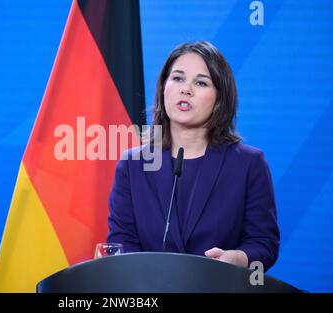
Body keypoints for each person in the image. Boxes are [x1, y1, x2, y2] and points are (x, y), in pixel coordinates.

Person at [107, 41, 280, 272]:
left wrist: (236, 259)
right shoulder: (132, 165)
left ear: (220, 98)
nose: (186, 89)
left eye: (200, 82)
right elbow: (122, 243)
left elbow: (264, 244)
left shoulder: (249, 164)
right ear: (163, 88)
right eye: (177, 78)